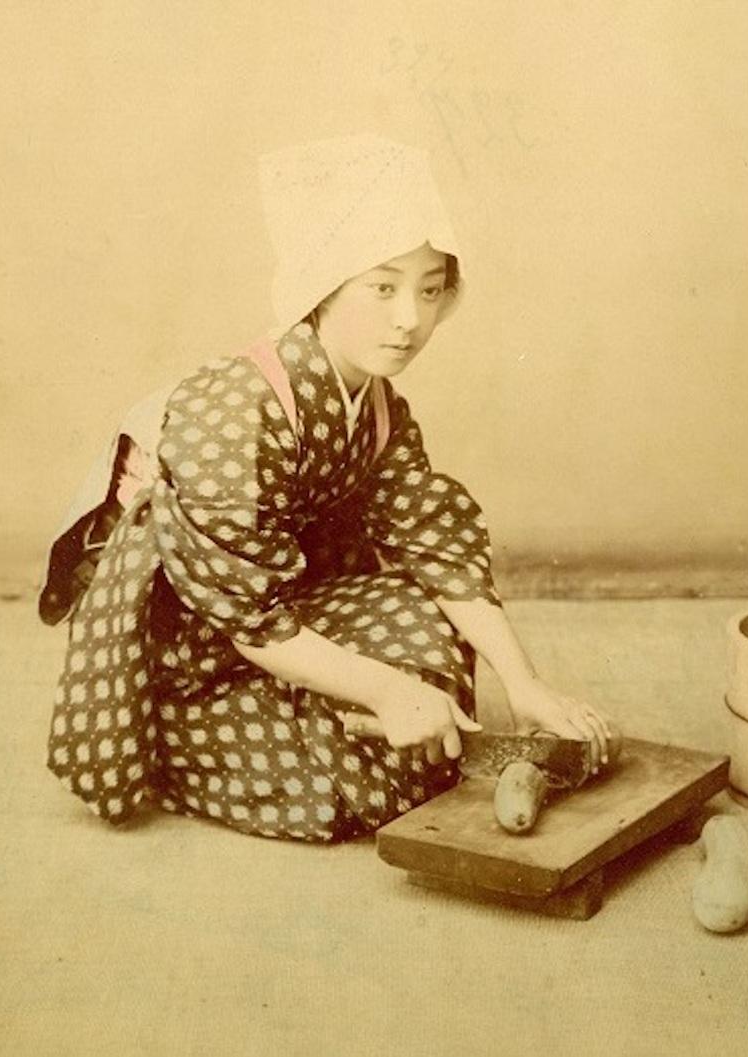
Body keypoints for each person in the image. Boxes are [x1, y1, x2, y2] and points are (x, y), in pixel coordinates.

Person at [40, 133, 612, 842]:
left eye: (431, 290)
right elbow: (247, 614)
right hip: (192, 639)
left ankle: (364, 717)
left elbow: (433, 548)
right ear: (323, 286)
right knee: (366, 763)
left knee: (424, 637)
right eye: (383, 286)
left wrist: (521, 681)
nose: (411, 318)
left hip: (284, 600)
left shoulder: (376, 406)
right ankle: (176, 739)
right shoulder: (234, 410)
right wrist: (388, 688)